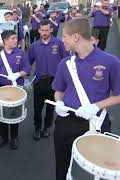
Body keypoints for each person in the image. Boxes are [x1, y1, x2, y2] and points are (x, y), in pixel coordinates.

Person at [52, 17, 120, 180]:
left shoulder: (110, 62)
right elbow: (59, 90)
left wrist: (95, 107)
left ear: (76, 37)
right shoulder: (65, 63)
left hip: (96, 122)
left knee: (96, 170)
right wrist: (59, 102)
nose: (62, 41)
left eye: (65, 36)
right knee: (62, 166)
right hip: (66, 122)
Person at [0, 30, 31, 150]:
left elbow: (27, 69)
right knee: (2, 113)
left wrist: (18, 74)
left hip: (16, 88)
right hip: (1, 88)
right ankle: (3, 137)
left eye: (15, 38)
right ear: (5, 41)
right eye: (13, 38)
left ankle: (14, 137)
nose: (16, 40)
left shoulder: (21, 53)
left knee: (14, 114)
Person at [28, 19, 68, 141]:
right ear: (39, 30)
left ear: (51, 29)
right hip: (39, 81)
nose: (44, 32)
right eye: (42, 30)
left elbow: (66, 61)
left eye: (47, 30)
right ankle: (37, 127)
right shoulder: (34, 46)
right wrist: (24, 78)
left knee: (51, 107)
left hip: (54, 82)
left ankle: (47, 127)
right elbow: (28, 63)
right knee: (37, 107)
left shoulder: (59, 43)